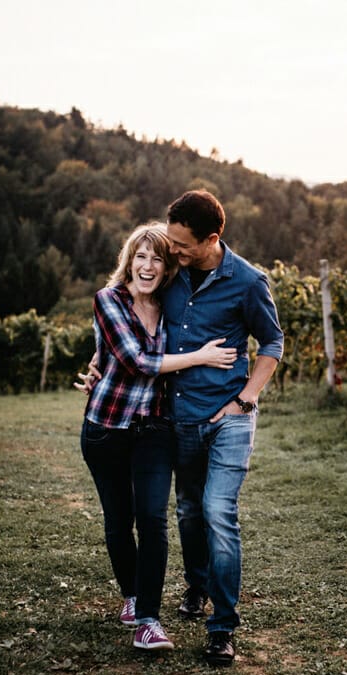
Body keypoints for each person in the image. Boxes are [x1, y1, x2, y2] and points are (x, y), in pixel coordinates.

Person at [78, 222, 237, 651]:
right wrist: (200, 357)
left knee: (152, 519)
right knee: (119, 520)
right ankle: (131, 595)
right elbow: (136, 360)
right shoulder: (109, 299)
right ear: (129, 261)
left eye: (157, 258)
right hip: (107, 428)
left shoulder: (170, 305)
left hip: (153, 427)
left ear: (167, 267)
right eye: (141, 256)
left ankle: (148, 620)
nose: (148, 266)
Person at [163, 190, 284, 667]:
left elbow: (272, 342)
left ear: (212, 239)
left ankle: (222, 627)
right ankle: (197, 586)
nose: (174, 250)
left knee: (218, 511)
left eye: (183, 244)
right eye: (171, 240)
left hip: (230, 417)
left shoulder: (248, 281)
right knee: (189, 511)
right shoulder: (169, 271)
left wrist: (246, 398)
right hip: (180, 417)